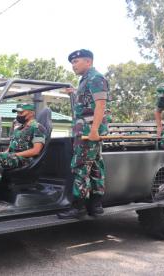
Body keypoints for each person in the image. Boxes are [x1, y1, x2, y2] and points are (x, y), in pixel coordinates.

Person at [57, 49, 110, 219]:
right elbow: (87, 100)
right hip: (86, 129)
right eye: (72, 63)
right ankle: (95, 205)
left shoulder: (96, 78)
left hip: (89, 130)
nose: (73, 65)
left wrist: (94, 130)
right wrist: (74, 91)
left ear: (88, 62)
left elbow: (100, 105)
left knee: (80, 165)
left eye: (76, 62)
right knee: (94, 165)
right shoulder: (85, 80)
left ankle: (78, 207)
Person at [0, 103, 47, 203]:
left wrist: (15, 155)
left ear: (31, 113)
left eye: (21, 112)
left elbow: (36, 150)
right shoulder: (18, 129)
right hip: (14, 158)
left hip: (25, 160)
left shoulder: (37, 128)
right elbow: (10, 148)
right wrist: (4, 154)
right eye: (17, 112)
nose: (18, 115)